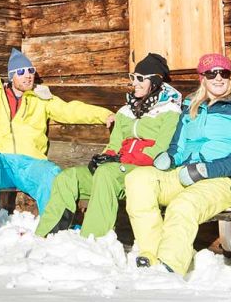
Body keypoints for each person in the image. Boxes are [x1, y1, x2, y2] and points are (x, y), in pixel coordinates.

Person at [121, 52, 231, 274]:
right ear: (202, 77)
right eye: (211, 73)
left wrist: (207, 170)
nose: (218, 78)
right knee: (137, 179)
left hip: (223, 181)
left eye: (223, 73)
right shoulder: (190, 106)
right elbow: (177, 147)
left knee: (183, 205)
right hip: (185, 174)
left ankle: (170, 267)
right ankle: (152, 253)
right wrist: (169, 158)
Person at [36, 53, 182, 239]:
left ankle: (93, 239)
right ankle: (48, 234)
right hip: (119, 168)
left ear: (154, 80)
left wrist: (117, 161)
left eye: (140, 78)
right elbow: (114, 144)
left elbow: (159, 149)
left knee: (107, 174)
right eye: (132, 78)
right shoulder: (126, 111)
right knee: (69, 177)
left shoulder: (170, 111)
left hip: (145, 172)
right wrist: (105, 158)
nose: (134, 83)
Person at [0, 49, 115, 230]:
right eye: (21, 72)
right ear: (12, 76)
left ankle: (57, 224)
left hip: (30, 166)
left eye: (31, 70)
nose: (27, 76)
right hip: (1, 164)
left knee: (51, 172)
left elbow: (69, 110)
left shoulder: (41, 98)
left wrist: (104, 115)